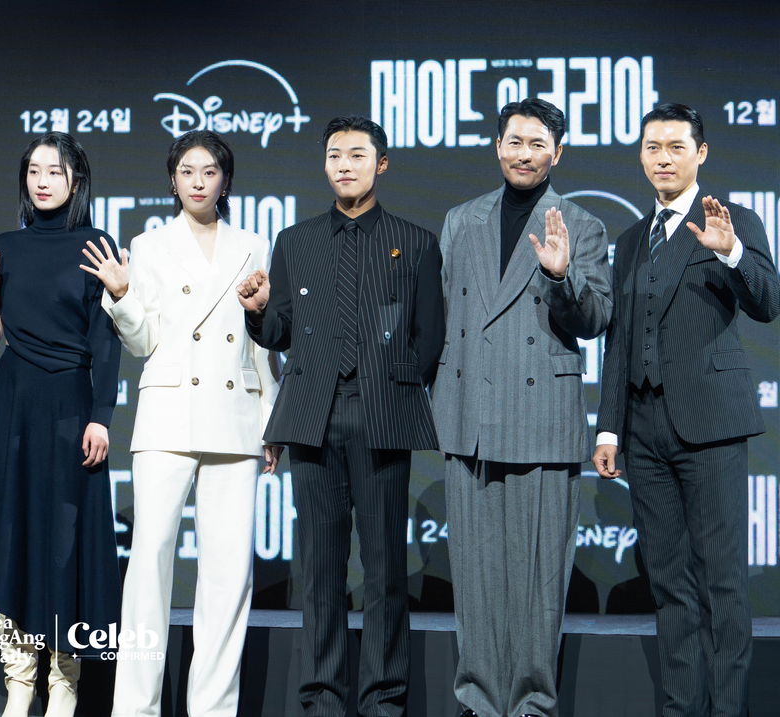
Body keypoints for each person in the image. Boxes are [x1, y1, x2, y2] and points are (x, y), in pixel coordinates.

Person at [237, 116, 443, 716]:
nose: (344, 164)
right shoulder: (295, 243)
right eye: (335, 155)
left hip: (383, 418)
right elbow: (279, 332)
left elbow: (428, 339)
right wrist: (255, 310)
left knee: (384, 573)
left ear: (382, 164)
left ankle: (383, 701)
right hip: (314, 419)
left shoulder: (416, 241)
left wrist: (395, 392)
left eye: (357, 154)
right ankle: (322, 699)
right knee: (320, 572)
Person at [594, 103, 779, 717]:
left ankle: (728, 710)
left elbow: (767, 300)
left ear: (701, 153)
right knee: (670, 585)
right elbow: (619, 341)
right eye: (653, 147)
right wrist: (609, 427)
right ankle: (682, 708)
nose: (663, 158)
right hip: (644, 435)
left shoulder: (730, 219)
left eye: (676, 146)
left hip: (712, 427)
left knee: (722, 584)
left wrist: (730, 255)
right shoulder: (630, 240)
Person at [84, 129, 277, 717]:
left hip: (236, 414)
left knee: (228, 574)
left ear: (225, 179)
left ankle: (213, 709)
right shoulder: (149, 246)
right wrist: (120, 297)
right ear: (173, 179)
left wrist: (272, 416)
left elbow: (262, 347)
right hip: (168, 414)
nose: (198, 181)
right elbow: (144, 342)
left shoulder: (253, 244)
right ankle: (135, 707)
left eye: (210, 171)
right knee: (148, 566)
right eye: (187, 171)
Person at [429, 98, 612, 717]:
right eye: (513, 141)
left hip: (541, 416)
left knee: (536, 582)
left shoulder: (581, 225)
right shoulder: (461, 220)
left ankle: (533, 703)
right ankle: (478, 700)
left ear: (557, 152)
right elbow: (447, 317)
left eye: (537, 143)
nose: (523, 153)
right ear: (497, 145)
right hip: (469, 414)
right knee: (476, 579)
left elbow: (594, 319)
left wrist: (562, 278)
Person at [0, 131, 123, 717]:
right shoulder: (5, 245)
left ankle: (64, 682)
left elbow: (104, 341)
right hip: (13, 402)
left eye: (54, 172)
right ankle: (18, 681)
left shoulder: (96, 245)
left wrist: (101, 417)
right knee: (16, 534)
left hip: (69, 405)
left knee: (63, 544)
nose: (42, 181)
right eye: (33, 171)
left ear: (75, 181)